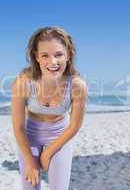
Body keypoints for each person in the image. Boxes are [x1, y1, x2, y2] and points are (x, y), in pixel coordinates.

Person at [11, 26, 88, 190]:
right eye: (45, 55)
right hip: (29, 134)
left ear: (68, 54)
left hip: (61, 135)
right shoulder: (23, 82)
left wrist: (48, 153)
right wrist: (31, 163)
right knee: (30, 185)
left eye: (59, 54)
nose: (53, 62)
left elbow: (74, 126)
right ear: (36, 57)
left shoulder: (77, 85)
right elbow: (18, 127)